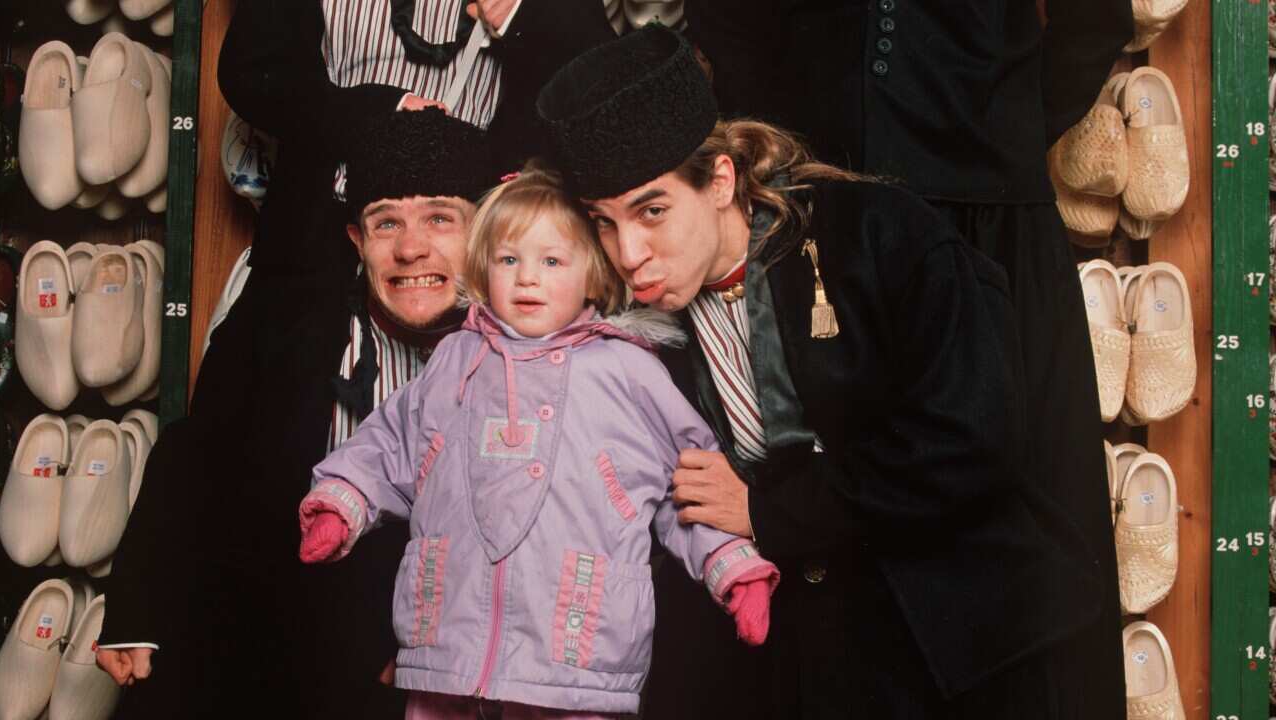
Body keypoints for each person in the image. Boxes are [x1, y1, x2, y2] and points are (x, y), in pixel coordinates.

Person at [536, 25, 1114, 718]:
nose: (629, 252)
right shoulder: (632, 333)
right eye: (603, 223)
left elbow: (972, 436)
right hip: (804, 662)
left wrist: (766, 510)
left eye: (652, 211)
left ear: (720, 180)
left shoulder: (876, 234)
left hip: (954, 654)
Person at [295, 168, 779, 719]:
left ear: (593, 275)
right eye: (509, 260)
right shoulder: (457, 359)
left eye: (551, 261)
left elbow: (690, 486)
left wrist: (734, 569)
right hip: (447, 644)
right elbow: (390, 444)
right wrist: (340, 502)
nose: (528, 279)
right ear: (483, 269)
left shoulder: (629, 372)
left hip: (576, 648)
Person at [95, 109, 496, 718]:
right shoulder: (283, 322)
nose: (412, 248)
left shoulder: (525, 360)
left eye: (440, 218)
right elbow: (194, 448)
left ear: (485, 233)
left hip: (424, 663)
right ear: (357, 242)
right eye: (386, 223)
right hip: (267, 631)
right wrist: (137, 603)